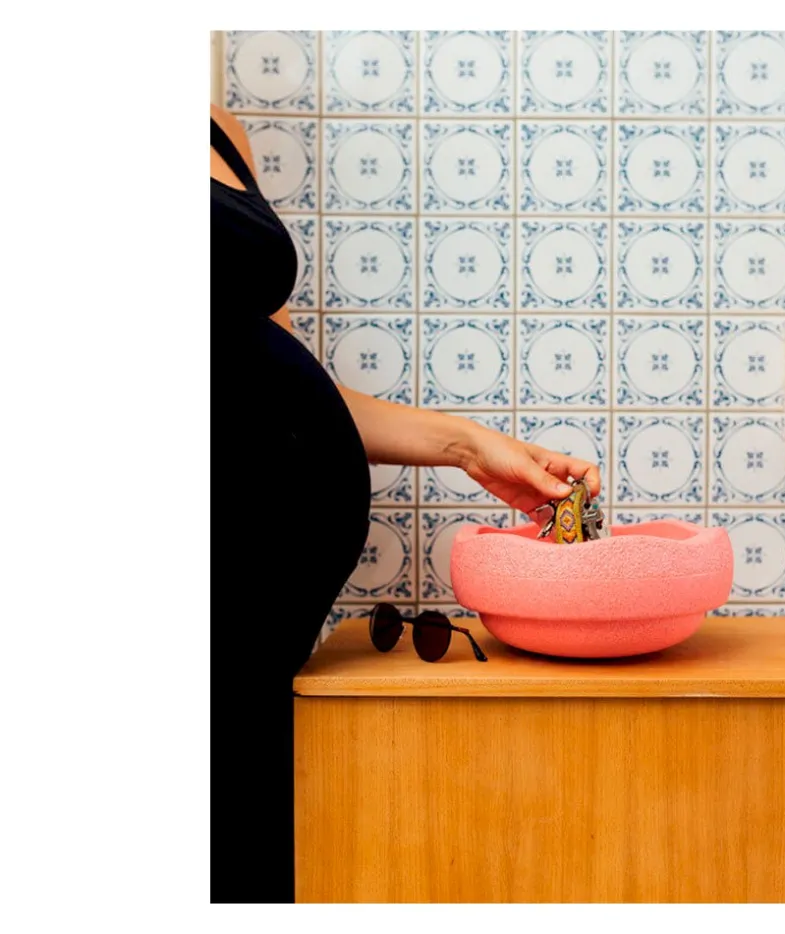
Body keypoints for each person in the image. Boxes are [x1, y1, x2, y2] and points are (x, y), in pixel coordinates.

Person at [209, 104, 600, 904]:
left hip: (269, 603)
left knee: (244, 836)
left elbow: (276, 374)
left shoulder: (216, 128)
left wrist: (470, 446)